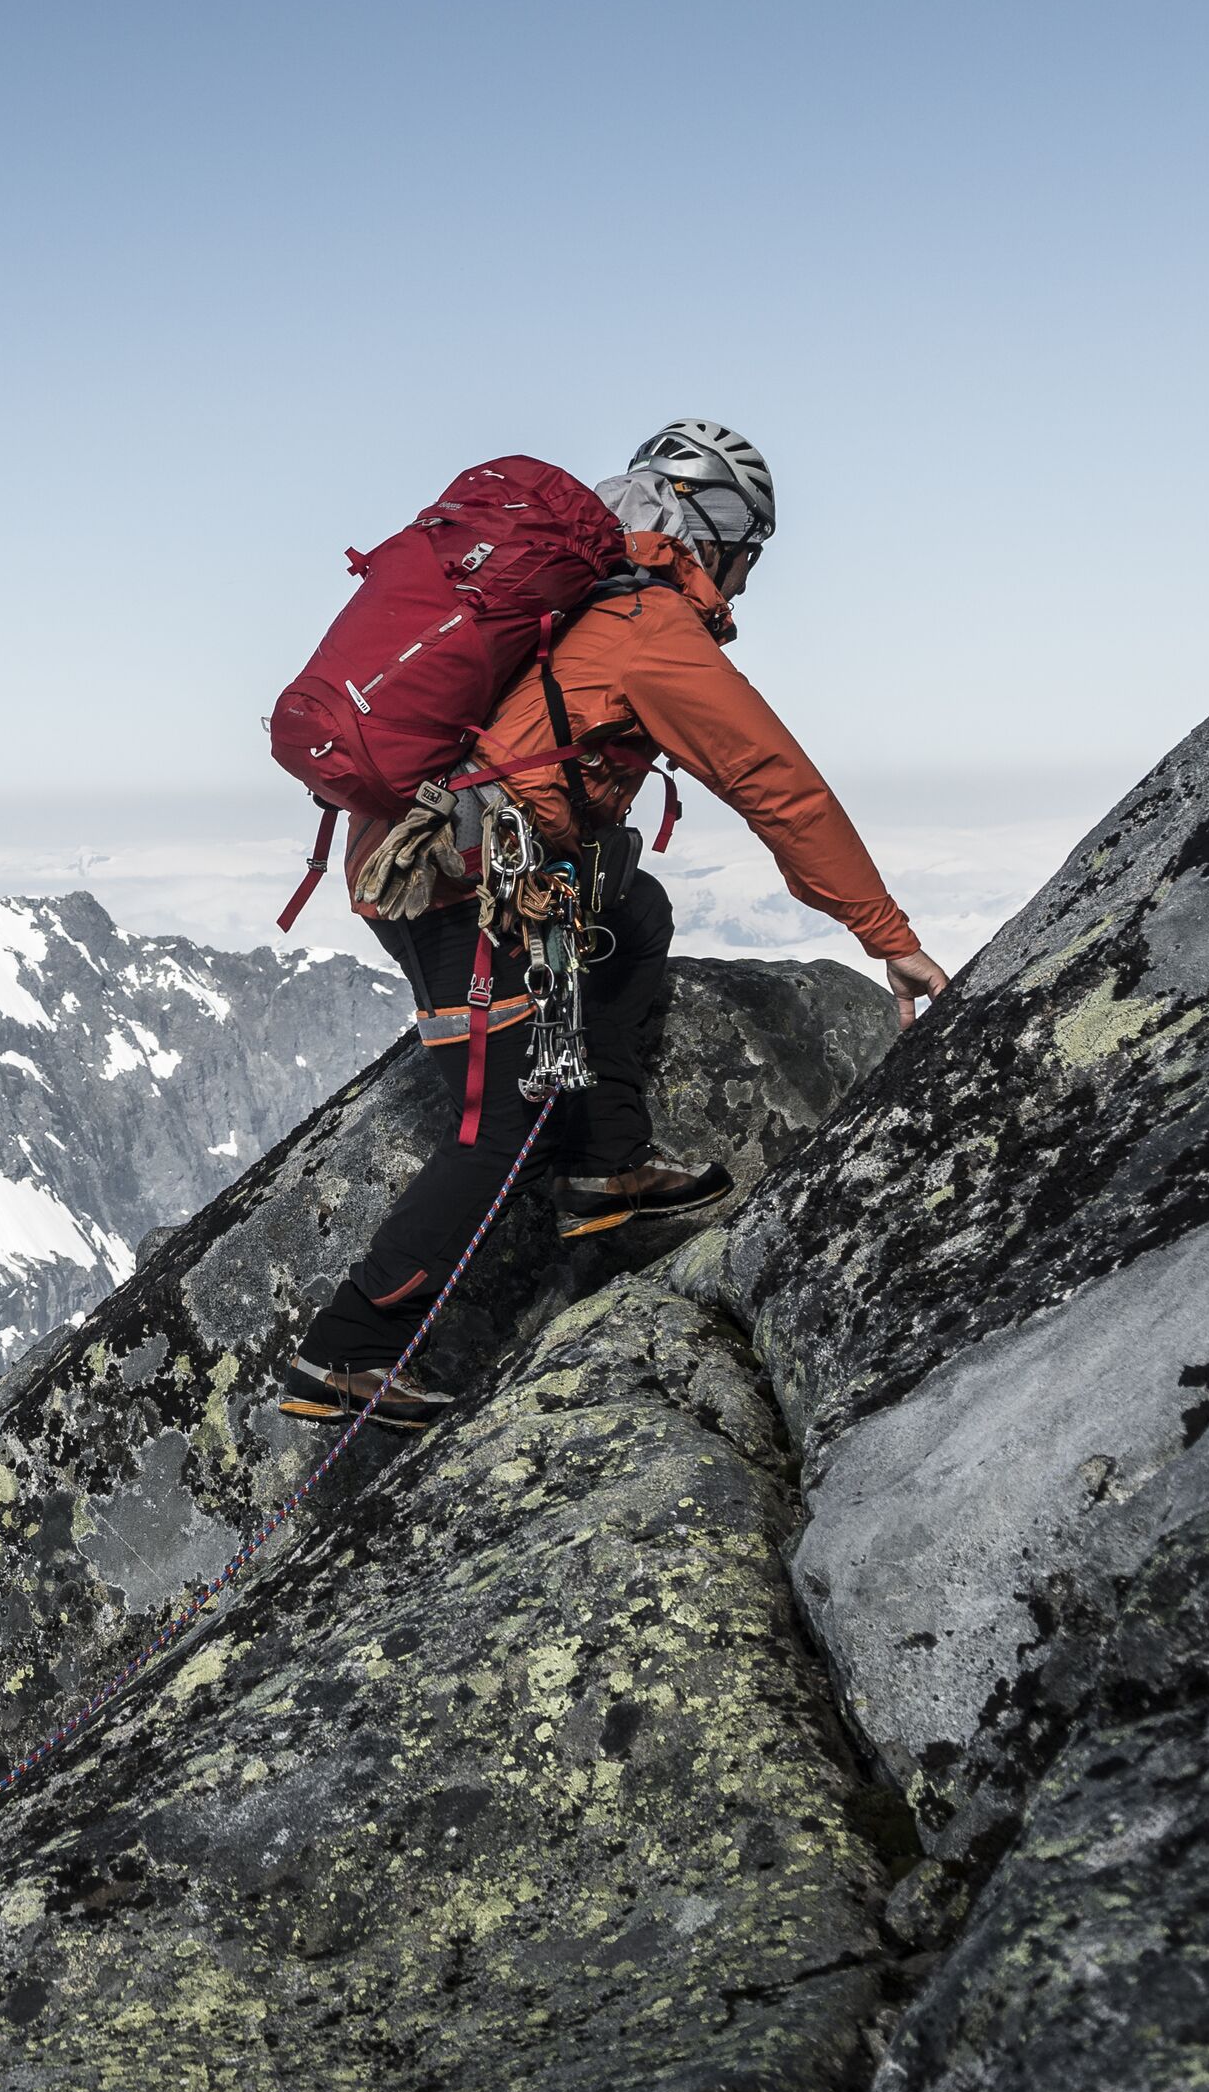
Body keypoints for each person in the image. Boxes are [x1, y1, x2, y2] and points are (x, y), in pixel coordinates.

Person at [278, 421, 952, 1430]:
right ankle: (347, 1355)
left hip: (461, 856)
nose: (751, 576)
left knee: (633, 909)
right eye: (751, 552)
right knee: (503, 1125)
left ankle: (606, 1167)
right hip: (450, 884)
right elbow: (777, 783)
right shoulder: (647, 625)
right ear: (716, 537)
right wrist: (884, 931)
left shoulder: (590, 595)